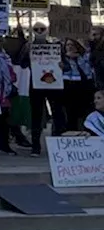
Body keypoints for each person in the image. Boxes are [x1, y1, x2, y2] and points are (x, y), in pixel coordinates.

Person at [20, 21, 65, 156]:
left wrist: (62, 65)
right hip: (36, 86)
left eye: (42, 29)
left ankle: (58, 144)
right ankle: (35, 146)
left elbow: (65, 65)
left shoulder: (55, 47)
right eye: (36, 29)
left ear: (47, 30)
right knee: (36, 116)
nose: (39, 31)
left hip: (53, 86)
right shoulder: (29, 47)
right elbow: (21, 64)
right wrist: (26, 53)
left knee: (57, 114)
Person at [62, 39, 96, 132]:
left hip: (85, 88)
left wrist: (78, 58)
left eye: (72, 44)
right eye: (68, 45)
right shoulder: (63, 58)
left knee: (86, 114)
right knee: (70, 115)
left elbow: (87, 69)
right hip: (69, 89)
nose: (70, 47)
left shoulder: (85, 57)